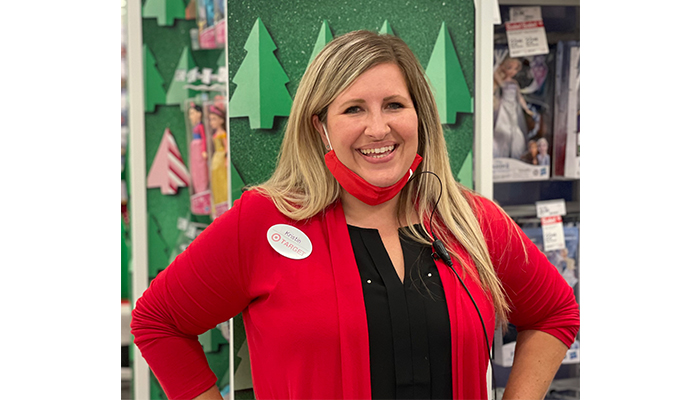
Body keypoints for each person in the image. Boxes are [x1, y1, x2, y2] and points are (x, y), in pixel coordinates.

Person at [131, 30, 579, 400]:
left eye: (394, 106)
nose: (379, 128)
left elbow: (555, 312)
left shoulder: (469, 218)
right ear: (319, 125)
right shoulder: (266, 221)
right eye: (353, 109)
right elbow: (158, 322)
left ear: (419, 117)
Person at [493, 57, 534, 159]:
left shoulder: (514, 83)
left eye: (516, 69)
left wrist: (526, 109)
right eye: (509, 68)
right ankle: (500, 153)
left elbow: (519, 97)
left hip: (513, 107)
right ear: (504, 68)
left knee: (515, 131)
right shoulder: (501, 82)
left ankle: (516, 154)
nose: (513, 71)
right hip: (503, 106)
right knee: (503, 130)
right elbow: (494, 77)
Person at [207, 103, 228, 218]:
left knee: (222, 181)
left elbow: (226, 146)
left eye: (214, 119)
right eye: (210, 120)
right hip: (216, 161)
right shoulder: (216, 133)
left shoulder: (222, 134)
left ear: (221, 120)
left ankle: (224, 203)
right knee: (216, 182)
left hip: (221, 159)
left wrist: (226, 158)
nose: (212, 122)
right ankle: (218, 206)